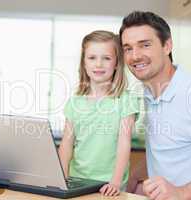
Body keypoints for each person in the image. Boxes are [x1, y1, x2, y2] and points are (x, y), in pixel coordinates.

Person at [119, 11, 191, 200]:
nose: (135, 56)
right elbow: (168, 150)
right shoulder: (149, 94)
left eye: (145, 45)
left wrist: (183, 193)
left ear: (167, 46)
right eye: (128, 48)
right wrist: (134, 177)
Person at [58, 30, 139, 196]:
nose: (99, 64)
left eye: (106, 58)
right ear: (84, 63)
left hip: (110, 185)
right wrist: (62, 179)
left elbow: (124, 143)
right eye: (92, 58)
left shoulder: (125, 99)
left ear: (117, 63)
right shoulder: (75, 102)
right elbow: (66, 146)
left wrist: (115, 182)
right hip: (77, 180)